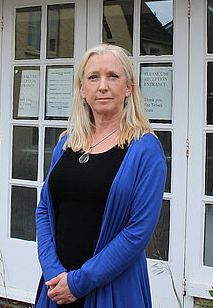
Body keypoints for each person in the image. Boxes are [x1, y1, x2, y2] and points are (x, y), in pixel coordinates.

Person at [34, 44, 167, 307]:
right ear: (82, 89)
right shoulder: (66, 144)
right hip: (57, 287)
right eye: (93, 77)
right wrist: (53, 271)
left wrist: (79, 283)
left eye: (113, 76)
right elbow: (44, 211)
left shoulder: (145, 149)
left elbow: (138, 232)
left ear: (128, 88)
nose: (102, 86)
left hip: (113, 287)